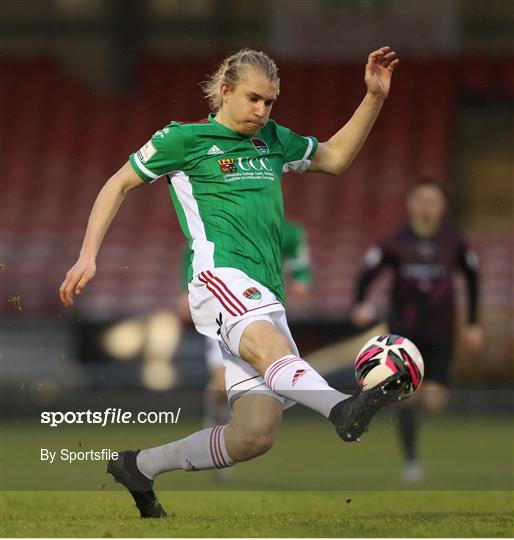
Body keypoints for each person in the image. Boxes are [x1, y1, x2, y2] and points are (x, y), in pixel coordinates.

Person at [60, 47, 407, 518]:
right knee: (275, 354)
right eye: (254, 99)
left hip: (266, 293)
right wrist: (88, 255)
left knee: (253, 435)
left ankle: (137, 467)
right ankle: (341, 409)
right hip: (219, 277)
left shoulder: (272, 139)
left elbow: (336, 158)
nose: (262, 111)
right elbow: (117, 183)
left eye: (270, 102)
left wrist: (373, 97)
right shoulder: (184, 139)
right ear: (224, 92)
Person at [351, 177, 483, 482]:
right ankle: (411, 461)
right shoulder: (395, 242)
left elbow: (473, 278)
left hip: (441, 332)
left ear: (442, 206)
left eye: (433, 201)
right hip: (403, 335)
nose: (427, 206)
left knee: (435, 402)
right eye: (421, 200)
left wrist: (474, 323)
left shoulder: (454, 242)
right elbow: (367, 272)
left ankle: (382, 399)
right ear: (410, 204)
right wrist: (360, 302)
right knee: (407, 397)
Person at [178, 220, 312, 483]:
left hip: (262, 313)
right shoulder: (220, 227)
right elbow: (194, 250)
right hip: (223, 311)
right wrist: (186, 290)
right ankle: (214, 425)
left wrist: (301, 279)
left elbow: (300, 261)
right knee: (219, 383)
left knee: (259, 391)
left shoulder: (288, 232)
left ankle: (229, 442)